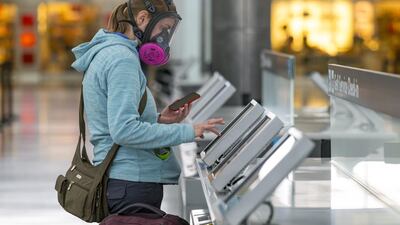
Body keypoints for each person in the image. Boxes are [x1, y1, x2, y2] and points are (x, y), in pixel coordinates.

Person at [71, 0, 224, 214]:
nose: (164, 37)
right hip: (131, 182)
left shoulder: (107, 53)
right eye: (163, 28)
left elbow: (115, 119)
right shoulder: (122, 59)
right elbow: (124, 130)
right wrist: (189, 131)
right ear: (142, 19)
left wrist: (160, 119)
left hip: (121, 181)